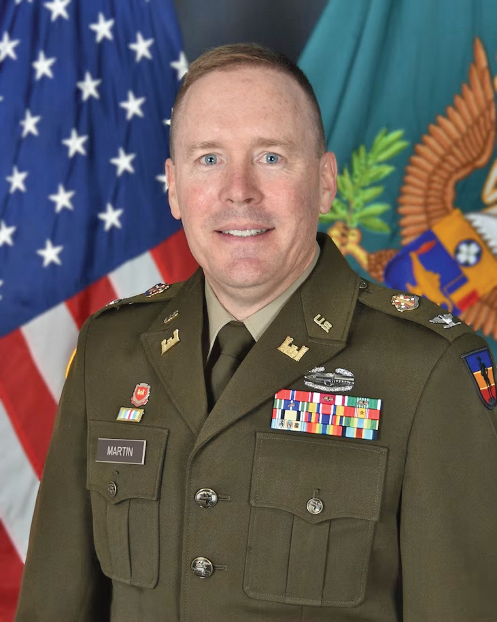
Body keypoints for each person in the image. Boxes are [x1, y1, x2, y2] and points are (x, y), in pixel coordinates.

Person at [16, 43, 497, 621]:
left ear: (324, 182)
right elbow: (54, 606)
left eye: (270, 156)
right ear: (172, 187)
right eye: (209, 159)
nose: (238, 190)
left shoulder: (427, 368)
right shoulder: (108, 350)